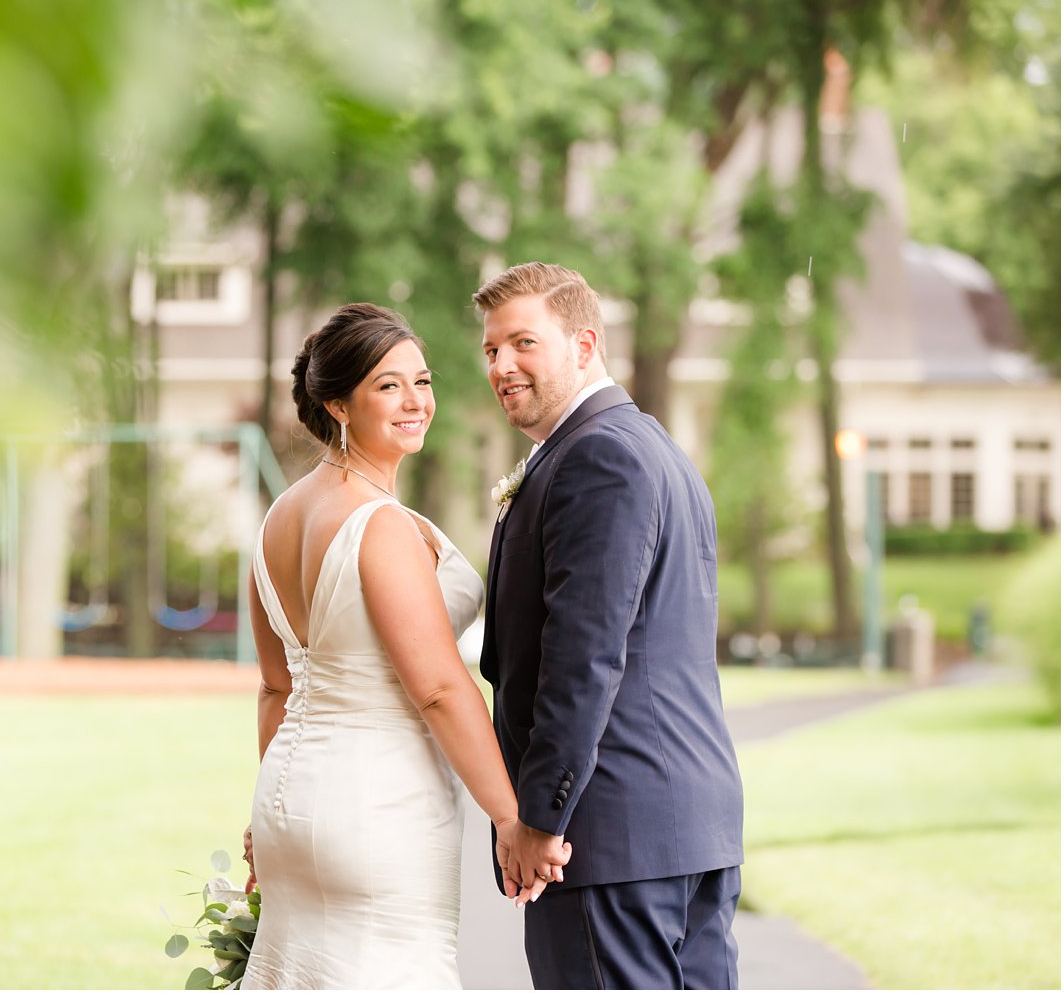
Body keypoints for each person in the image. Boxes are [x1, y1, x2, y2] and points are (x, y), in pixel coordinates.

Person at [238, 303, 544, 990]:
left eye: (423, 381)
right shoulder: (377, 524)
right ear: (338, 405)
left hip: (291, 799)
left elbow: (276, 688)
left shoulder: (278, 518)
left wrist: (273, 808)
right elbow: (437, 687)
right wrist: (509, 816)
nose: (416, 402)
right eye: (388, 386)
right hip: (378, 804)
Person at [474, 262, 745, 989]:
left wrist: (541, 818)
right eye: (491, 350)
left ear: (584, 343)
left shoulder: (599, 456)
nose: (501, 366)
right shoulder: (650, 447)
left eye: (524, 343)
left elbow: (583, 655)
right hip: (686, 834)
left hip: (613, 840)